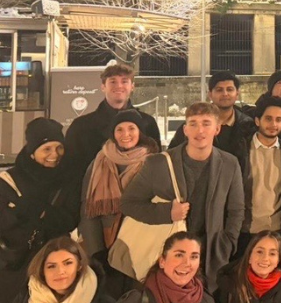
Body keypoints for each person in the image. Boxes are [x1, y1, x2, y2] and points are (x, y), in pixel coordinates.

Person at [121, 103, 245, 292]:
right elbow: (128, 203)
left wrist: (227, 243)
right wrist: (167, 213)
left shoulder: (229, 163)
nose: (200, 130)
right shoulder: (158, 163)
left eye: (206, 123)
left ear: (217, 128)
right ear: (185, 129)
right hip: (167, 255)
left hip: (210, 256)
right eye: (193, 124)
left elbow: (236, 209)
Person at [79, 110, 159, 294]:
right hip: (106, 241)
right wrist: (96, 251)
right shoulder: (99, 161)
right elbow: (87, 208)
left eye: (131, 128)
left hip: (141, 241)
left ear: (140, 132)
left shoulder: (155, 162)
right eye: (119, 129)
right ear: (113, 134)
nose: (126, 134)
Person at [0, 118, 80, 292]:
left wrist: (39, 210)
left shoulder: (68, 180)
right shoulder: (9, 181)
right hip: (16, 264)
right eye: (47, 149)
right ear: (32, 152)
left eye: (59, 147)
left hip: (55, 263)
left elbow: (70, 220)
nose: (55, 154)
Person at [65, 63, 160, 180]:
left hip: (140, 194)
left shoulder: (148, 123)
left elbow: (157, 166)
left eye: (124, 81)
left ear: (132, 86)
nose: (119, 86)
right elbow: (70, 169)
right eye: (113, 81)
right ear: (103, 87)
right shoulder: (81, 126)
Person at [237, 96, 281, 251]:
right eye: (269, 119)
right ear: (257, 121)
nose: (274, 124)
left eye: (279, 120)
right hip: (245, 231)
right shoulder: (240, 152)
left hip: (278, 232)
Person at [168, 71, 253, 158]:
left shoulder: (248, 125)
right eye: (219, 90)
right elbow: (172, 156)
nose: (225, 94)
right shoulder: (192, 125)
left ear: (237, 94)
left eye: (229, 89)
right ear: (210, 94)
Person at [116, 232, 214, 303]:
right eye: (179, 255)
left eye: (194, 257)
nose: (187, 263)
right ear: (162, 261)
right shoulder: (137, 299)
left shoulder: (206, 300)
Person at [13, 236, 113, 303]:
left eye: (68, 263)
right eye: (51, 266)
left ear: (79, 266)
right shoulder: (26, 295)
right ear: (42, 271)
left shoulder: (104, 299)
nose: (60, 271)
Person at [216, 231, 281, 303]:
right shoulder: (229, 286)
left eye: (272, 254)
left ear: (278, 260)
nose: (265, 258)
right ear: (249, 257)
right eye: (259, 252)